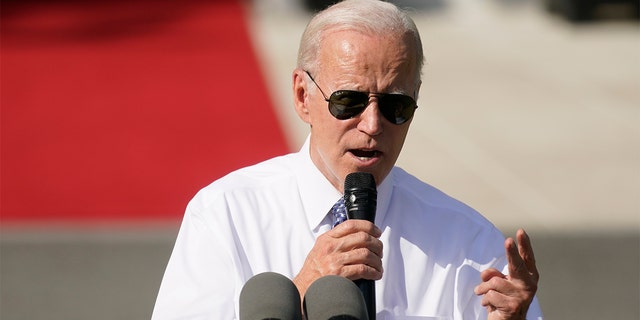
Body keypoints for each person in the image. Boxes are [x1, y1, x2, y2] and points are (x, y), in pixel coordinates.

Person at [152, 0, 542, 319]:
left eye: (396, 105)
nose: (372, 125)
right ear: (303, 96)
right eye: (349, 101)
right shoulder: (227, 215)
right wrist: (299, 293)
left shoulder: (470, 245)